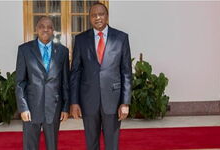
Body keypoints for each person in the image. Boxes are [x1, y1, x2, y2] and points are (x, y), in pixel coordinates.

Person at [70, 2, 132, 150]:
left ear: (107, 16)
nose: (97, 17)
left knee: (112, 144)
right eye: (93, 15)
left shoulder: (121, 38)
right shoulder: (80, 39)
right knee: (91, 144)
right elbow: (75, 72)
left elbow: (126, 72)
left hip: (113, 100)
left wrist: (125, 102)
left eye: (101, 14)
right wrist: (74, 102)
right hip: (88, 100)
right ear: (89, 18)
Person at [15, 16, 69, 150]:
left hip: (54, 107)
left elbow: (65, 82)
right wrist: (23, 108)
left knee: (52, 145)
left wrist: (65, 107)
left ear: (53, 30)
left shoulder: (62, 51)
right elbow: (20, 82)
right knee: (30, 145)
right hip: (31, 107)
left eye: (49, 27)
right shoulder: (24, 50)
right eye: (42, 26)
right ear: (36, 29)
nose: (46, 29)